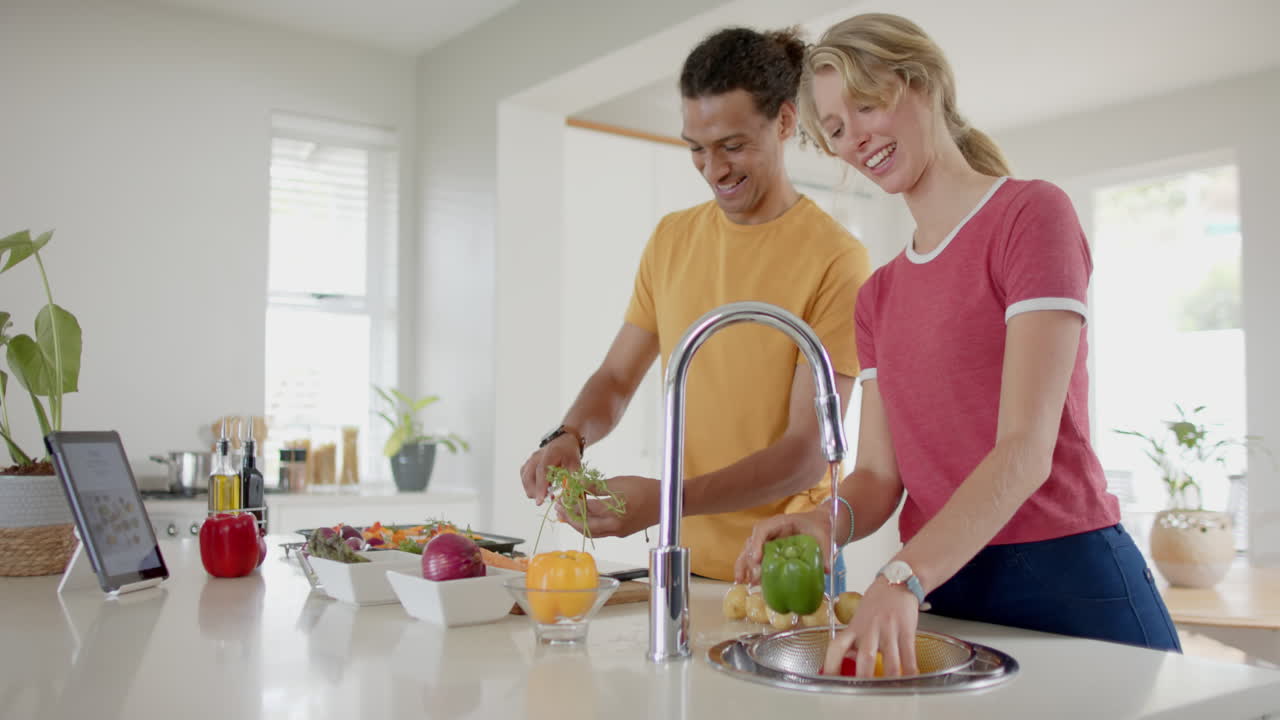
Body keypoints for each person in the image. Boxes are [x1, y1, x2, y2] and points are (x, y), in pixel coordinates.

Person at [734, 13, 1182, 677]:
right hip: (953, 586)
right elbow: (882, 477)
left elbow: (1024, 453)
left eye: (866, 104)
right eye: (834, 129)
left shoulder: (1030, 217)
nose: (856, 138)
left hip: (1067, 575)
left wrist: (902, 574)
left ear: (924, 83)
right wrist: (828, 522)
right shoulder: (878, 295)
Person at [519, 27, 872, 583]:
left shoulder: (837, 259)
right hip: (683, 557)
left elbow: (808, 451)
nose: (714, 170)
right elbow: (615, 377)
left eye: (733, 146)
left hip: (785, 562)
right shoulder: (671, 239)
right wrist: (568, 435)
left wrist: (665, 499)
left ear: (784, 122)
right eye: (697, 149)